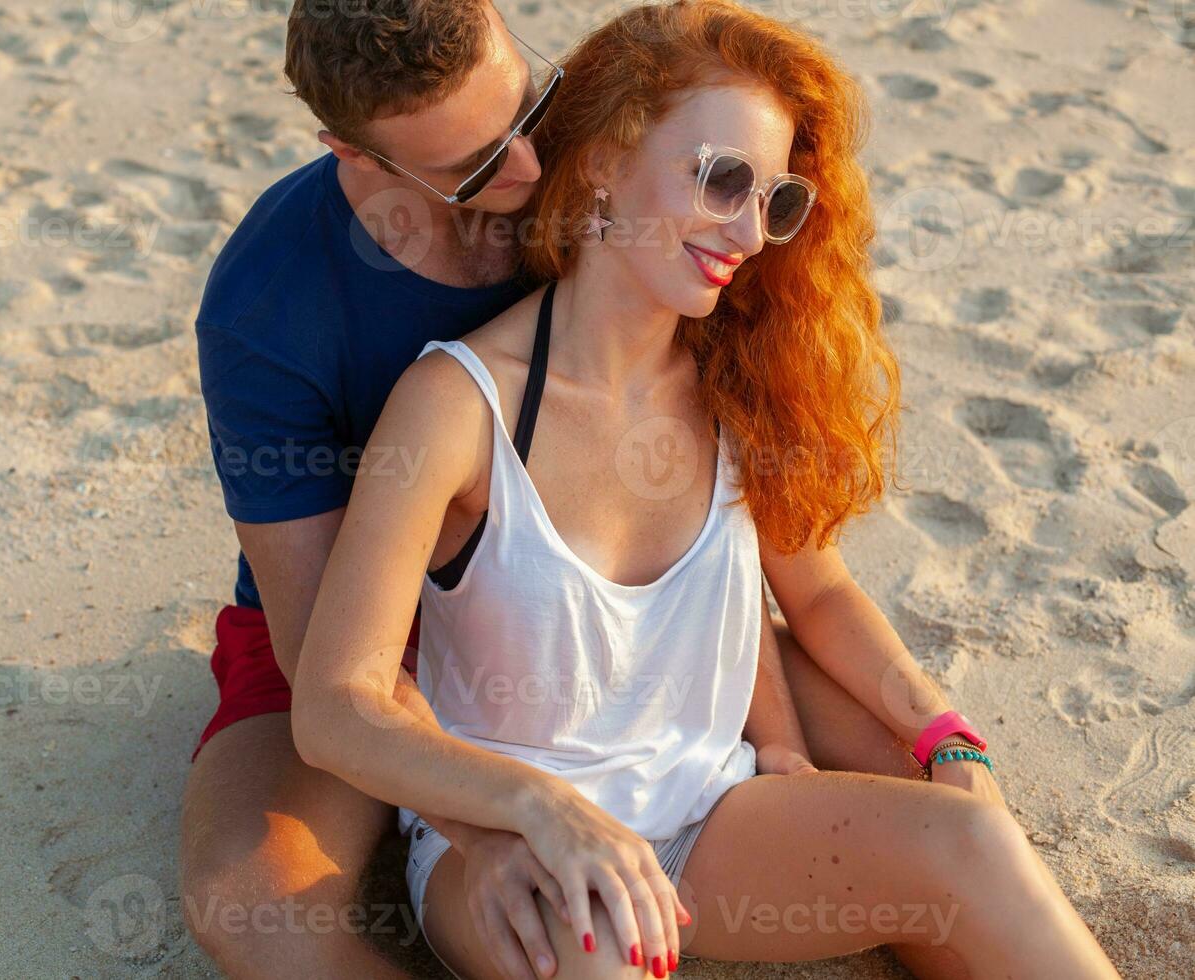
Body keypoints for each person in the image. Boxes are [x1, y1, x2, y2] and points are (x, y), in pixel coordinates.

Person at [286, 1, 1124, 978]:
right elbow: (338, 703)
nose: (750, 230)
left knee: (971, 841)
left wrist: (943, 732)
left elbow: (820, 592)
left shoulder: (737, 387)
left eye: (774, 201)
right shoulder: (457, 403)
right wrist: (528, 809)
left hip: (713, 814)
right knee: (597, 946)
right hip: (516, 852)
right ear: (604, 160)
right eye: (723, 178)